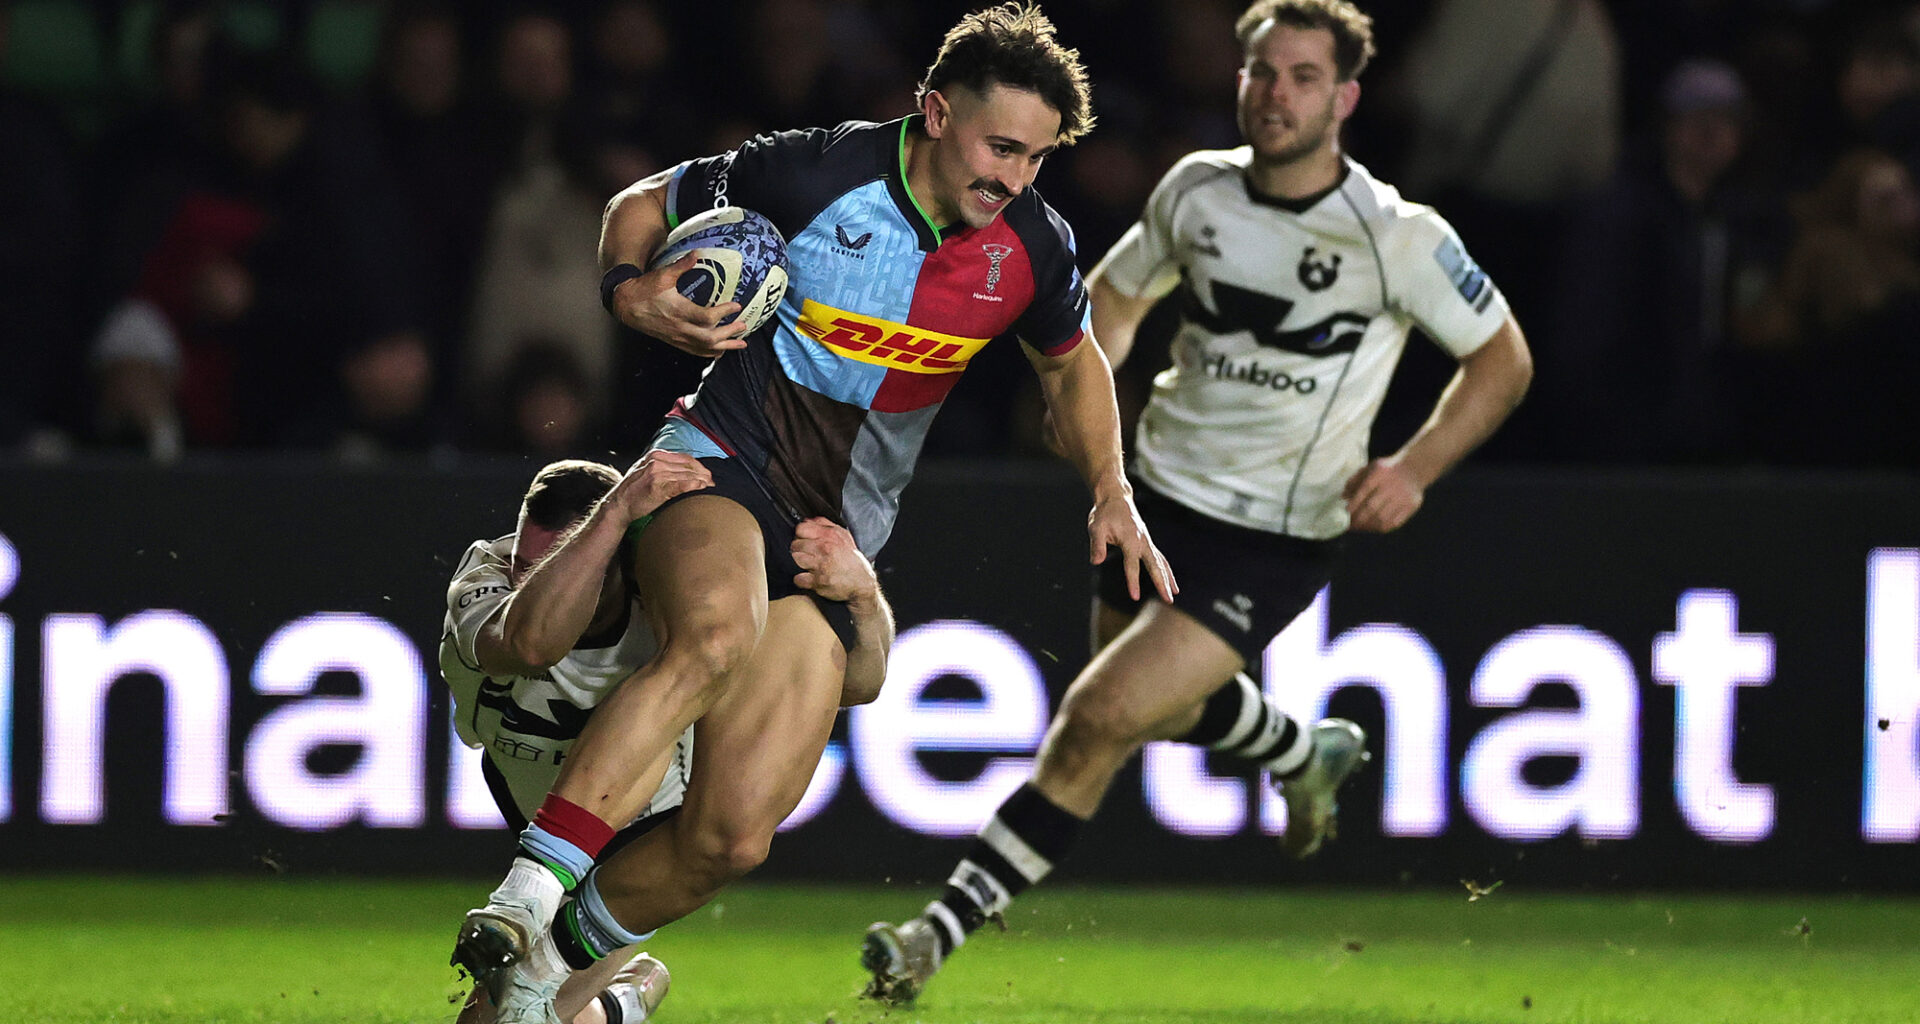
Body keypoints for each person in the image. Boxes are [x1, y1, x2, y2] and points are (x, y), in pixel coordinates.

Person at [455, 5, 1175, 1022]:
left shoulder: (1032, 248)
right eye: (1001, 146)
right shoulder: (809, 172)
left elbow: (1074, 367)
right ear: (934, 112)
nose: (1015, 177)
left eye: (1036, 158)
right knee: (713, 631)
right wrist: (630, 294)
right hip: (723, 462)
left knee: (732, 836)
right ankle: (523, 896)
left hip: (834, 536)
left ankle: (537, 981)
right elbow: (638, 202)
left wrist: (1112, 487)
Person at [861, 0, 1534, 1003]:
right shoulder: (1197, 190)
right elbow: (1117, 298)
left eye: (1304, 77)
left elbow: (1503, 359)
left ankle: (930, 936)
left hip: (1274, 534)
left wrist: (1413, 468)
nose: (1277, 94)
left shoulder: (1394, 236)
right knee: (1139, 716)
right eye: (1262, 72)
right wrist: (1093, 375)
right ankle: (1303, 752)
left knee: (1097, 716)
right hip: (1154, 500)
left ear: (1345, 97)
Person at [442, 454, 895, 1023]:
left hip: (644, 836)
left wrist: (862, 600)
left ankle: (603, 983)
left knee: (492, 1022)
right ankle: (620, 1001)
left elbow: (854, 684)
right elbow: (529, 643)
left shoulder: (672, 598)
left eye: (563, 563)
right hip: (543, 812)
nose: (531, 581)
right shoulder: (484, 575)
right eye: (527, 564)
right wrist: (611, 517)